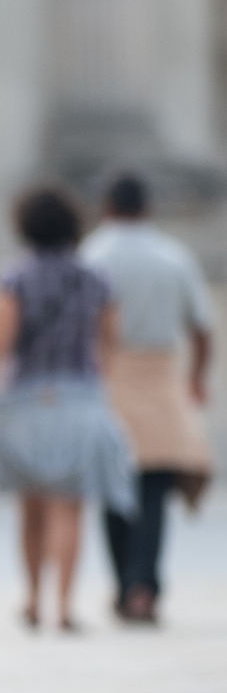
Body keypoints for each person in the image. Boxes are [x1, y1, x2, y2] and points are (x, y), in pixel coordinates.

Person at [0, 186, 134, 631]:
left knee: (32, 506)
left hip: (25, 399)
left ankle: (32, 599)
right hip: (80, 398)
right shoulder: (96, 278)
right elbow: (111, 339)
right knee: (70, 506)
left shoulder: (18, 278)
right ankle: (64, 607)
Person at [83, 173, 215, 624]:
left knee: (114, 490)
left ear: (107, 206)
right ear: (147, 207)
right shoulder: (173, 256)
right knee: (154, 491)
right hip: (161, 379)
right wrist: (197, 379)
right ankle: (144, 586)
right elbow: (202, 329)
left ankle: (124, 585)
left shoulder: (93, 254)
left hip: (110, 377)